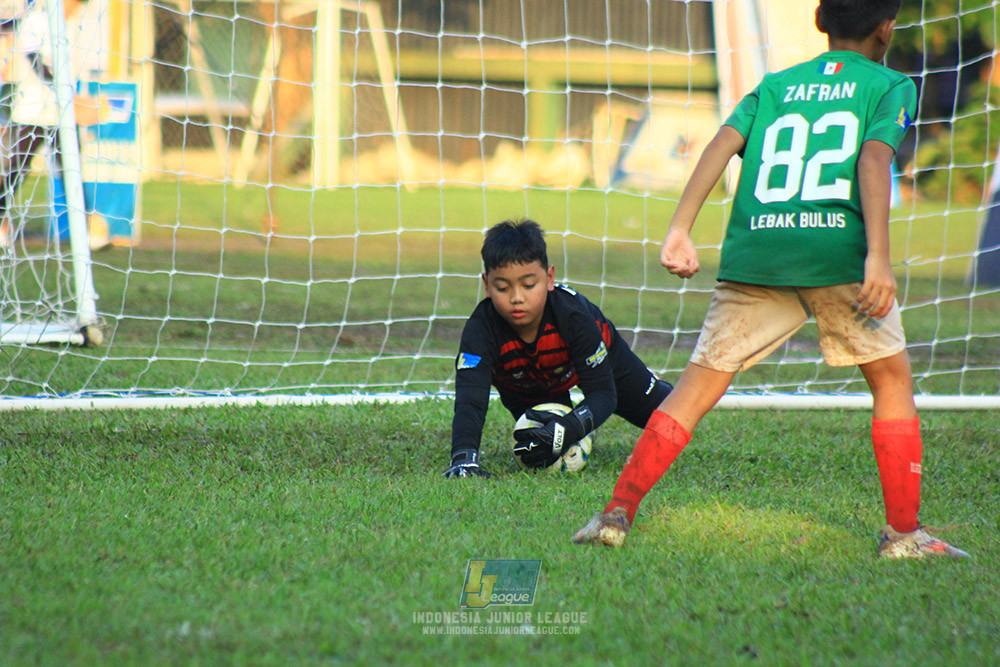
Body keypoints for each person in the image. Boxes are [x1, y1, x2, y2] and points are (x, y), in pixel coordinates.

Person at [572, 0, 969, 559]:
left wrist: (680, 229)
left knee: (694, 389)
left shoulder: (776, 84)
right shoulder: (890, 84)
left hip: (758, 248)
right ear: (887, 28)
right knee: (891, 381)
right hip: (836, 251)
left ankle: (615, 514)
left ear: (820, 21)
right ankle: (904, 534)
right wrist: (878, 256)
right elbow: (874, 161)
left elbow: (721, 145)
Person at [444, 219, 673, 478]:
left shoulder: (573, 316)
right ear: (487, 285)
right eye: (502, 288)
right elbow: (470, 400)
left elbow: (603, 394)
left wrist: (569, 428)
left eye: (529, 285)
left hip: (602, 361)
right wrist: (464, 459)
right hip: (528, 383)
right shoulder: (481, 329)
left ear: (549, 278)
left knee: (669, 418)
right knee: (540, 452)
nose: (517, 297)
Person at [1, 0, 105, 247]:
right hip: (31, 112)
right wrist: (67, 95)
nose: (75, 8)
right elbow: (36, 62)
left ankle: (88, 232)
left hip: (61, 116)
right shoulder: (37, 20)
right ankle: (2, 225)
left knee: (72, 172)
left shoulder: (73, 26)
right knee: (14, 172)